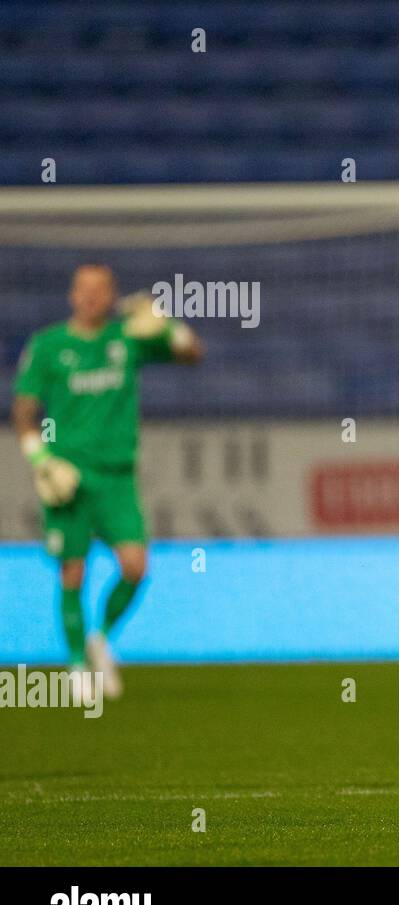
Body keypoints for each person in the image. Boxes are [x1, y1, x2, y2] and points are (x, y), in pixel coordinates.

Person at [12, 264, 204, 701]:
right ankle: (77, 664)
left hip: (117, 476)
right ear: (72, 295)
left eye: (101, 290)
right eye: (85, 289)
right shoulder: (48, 346)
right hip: (68, 476)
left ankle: (100, 639)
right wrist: (41, 459)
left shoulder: (127, 337)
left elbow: (194, 354)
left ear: (113, 295)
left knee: (136, 566)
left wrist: (169, 325)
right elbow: (24, 410)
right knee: (72, 571)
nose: (93, 297)